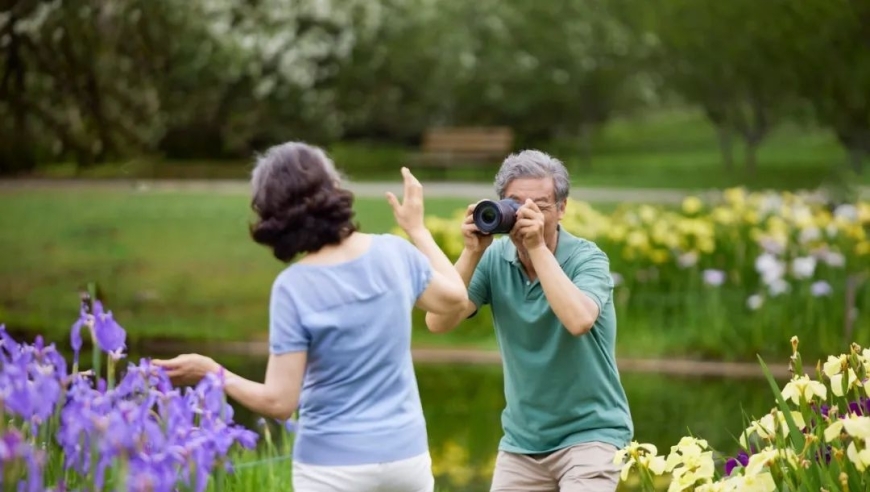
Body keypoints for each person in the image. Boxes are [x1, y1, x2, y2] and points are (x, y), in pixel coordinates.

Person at [153, 141, 469, 492]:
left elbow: (279, 402)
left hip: (333, 466)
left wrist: (210, 371)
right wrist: (418, 231)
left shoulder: (294, 286)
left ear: (274, 214)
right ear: (334, 187)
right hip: (406, 461)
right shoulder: (393, 252)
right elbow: (455, 298)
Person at [424, 150, 634, 492]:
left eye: (540, 204)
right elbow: (438, 321)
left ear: (562, 209)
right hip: (523, 443)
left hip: (591, 435)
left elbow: (578, 320)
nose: (525, 213)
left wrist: (536, 247)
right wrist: (472, 251)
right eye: (514, 203)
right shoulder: (494, 259)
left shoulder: (587, 259)